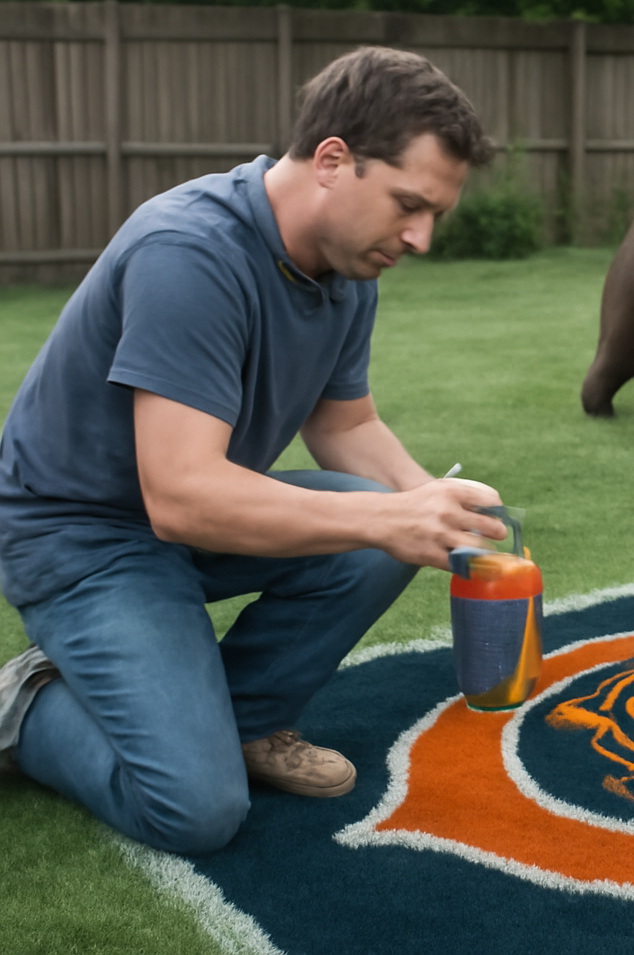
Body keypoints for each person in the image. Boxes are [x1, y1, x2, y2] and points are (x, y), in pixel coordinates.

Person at [0, 46, 505, 854]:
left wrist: (430, 503)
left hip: (187, 515)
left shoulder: (346, 267)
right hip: (82, 538)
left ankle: (242, 721)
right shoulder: (190, 252)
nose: (421, 238)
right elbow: (182, 496)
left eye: (434, 213)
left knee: (384, 524)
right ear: (334, 161)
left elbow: (343, 426)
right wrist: (388, 520)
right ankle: (26, 701)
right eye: (410, 205)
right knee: (196, 813)